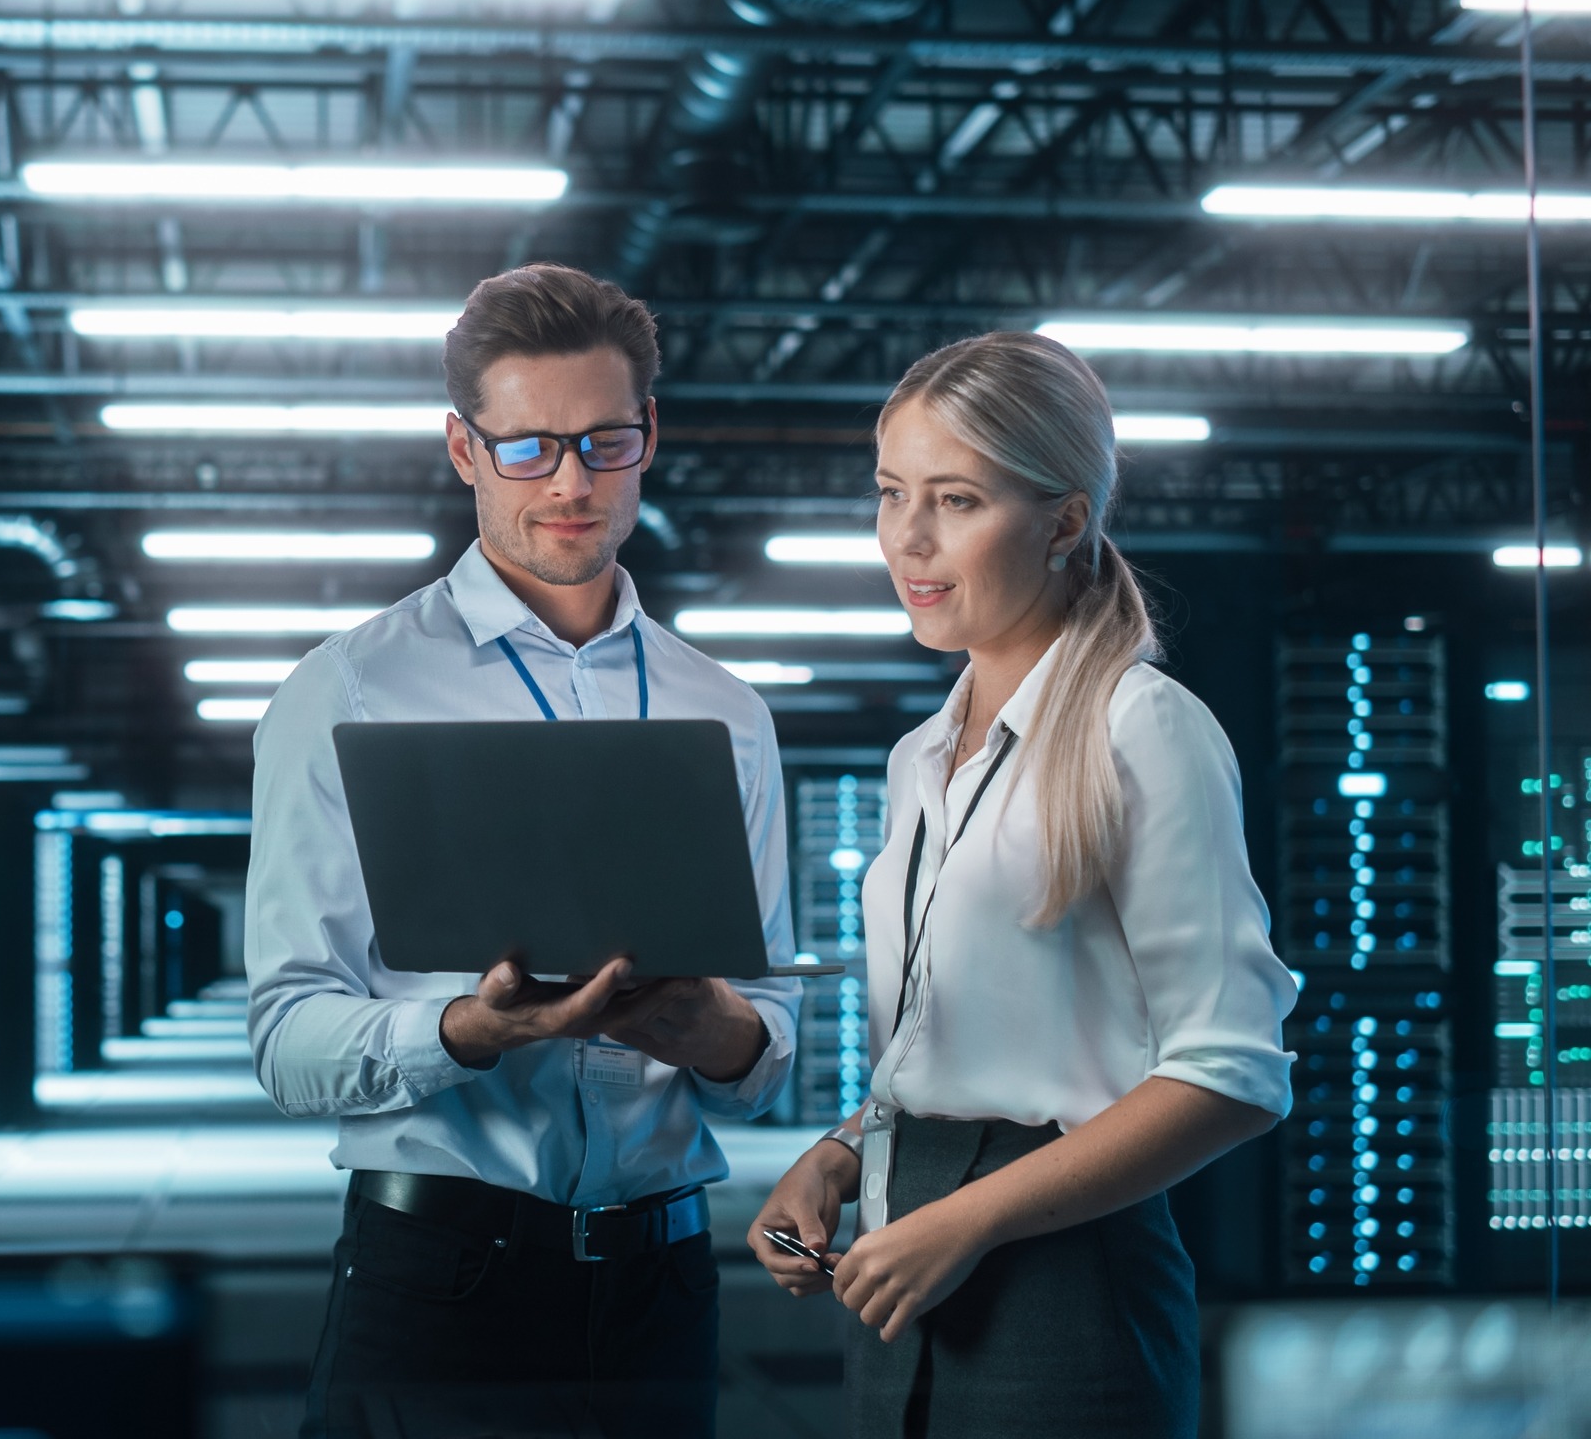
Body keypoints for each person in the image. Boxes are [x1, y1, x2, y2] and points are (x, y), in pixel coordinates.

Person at [245, 263, 803, 1439]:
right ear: (462, 450)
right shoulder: (348, 690)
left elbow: (765, 1051)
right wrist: (467, 1034)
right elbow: (286, 1037)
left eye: (604, 443)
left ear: (650, 436)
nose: (569, 482)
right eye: (526, 449)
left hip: (661, 1286)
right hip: (442, 1282)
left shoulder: (725, 710)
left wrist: (712, 1032)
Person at [746, 332, 1296, 1438]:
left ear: (1060, 519)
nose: (908, 536)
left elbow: (1232, 1073)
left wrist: (970, 1220)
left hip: (1064, 1281)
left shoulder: (1142, 731)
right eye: (891, 492)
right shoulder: (919, 757)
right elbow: (968, 1039)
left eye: (955, 498)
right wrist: (842, 1153)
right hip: (905, 1270)